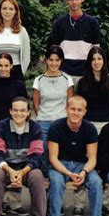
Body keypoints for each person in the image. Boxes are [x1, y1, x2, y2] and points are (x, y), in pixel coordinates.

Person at [44, 96, 107, 216]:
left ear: (85, 112)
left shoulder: (90, 128)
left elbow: (92, 158)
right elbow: (53, 158)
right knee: (56, 182)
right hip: (60, 165)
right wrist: (68, 173)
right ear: (66, 109)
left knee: (97, 182)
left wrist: (84, 172)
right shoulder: (56, 127)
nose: (76, 113)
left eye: (80, 110)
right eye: (73, 109)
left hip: (82, 165)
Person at [0, 97, 47, 216]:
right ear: (10, 111)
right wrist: (10, 170)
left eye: (22, 110)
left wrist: (21, 172)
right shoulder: (1, 126)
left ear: (28, 112)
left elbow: (36, 157)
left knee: (37, 175)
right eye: (15, 110)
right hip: (7, 168)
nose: (18, 113)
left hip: (27, 169)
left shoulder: (35, 128)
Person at [74, 46, 109, 216]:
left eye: (99, 59)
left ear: (104, 61)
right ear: (89, 62)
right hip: (86, 125)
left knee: (102, 164)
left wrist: (108, 123)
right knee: (83, 162)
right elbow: (78, 104)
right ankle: (79, 203)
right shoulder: (82, 82)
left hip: (105, 126)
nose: (96, 62)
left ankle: (105, 202)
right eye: (93, 59)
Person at [0, 53, 28, 216]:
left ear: (11, 66)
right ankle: (2, 201)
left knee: (16, 161)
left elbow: (24, 105)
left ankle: (15, 202)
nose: (3, 69)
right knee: (0, 162)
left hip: (16, 126)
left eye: (6, 65)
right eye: (0, 65)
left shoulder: (18, 84)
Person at [32, 45, 74, 176]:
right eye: (51, 60)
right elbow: (36, 103)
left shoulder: (67, 79)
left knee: (59, 152)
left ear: (61, 61)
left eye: (57, 60)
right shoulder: (38, 80)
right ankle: (45, 177)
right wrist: (43, 116)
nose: (54, 63)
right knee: (43, 149)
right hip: (43, 121)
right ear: (46, 60)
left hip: (61, 121)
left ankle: (57, 176)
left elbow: (70, 102)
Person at [49, 0, 100, 80]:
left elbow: (96, 51)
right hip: (64, 74)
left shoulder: (92, 22)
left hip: (86, 74)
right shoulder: (58, 23)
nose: (74, 2)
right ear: (66, 0)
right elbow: (55, 51)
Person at [0, 0, 30, 81]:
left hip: (16, 73)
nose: (7, 12)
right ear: (0, 11)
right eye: (4, 8)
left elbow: (26, 57)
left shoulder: (22, 31)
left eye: (11, 9)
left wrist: (22, 73)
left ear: (16, 11)